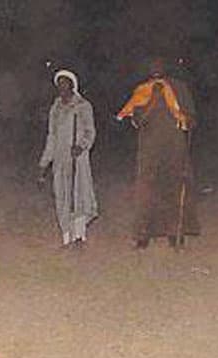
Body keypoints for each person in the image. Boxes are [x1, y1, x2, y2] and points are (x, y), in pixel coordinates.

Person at [117, 57, 198, 249]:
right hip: (150, 148)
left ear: (166, 68)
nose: (156, 69)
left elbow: (192, 118)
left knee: (173, 187)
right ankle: (143, 235)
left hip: (174, 147)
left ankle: (174, 233)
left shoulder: (179, 88)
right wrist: (153, 98)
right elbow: (137, 121)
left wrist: (185, 118)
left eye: (159, 66)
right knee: (146, 191)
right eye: (152, 66)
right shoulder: (142, 90)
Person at [37, 69, 97, 247]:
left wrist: (82, 145)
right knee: (62, 195)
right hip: (60, 158)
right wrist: (44, 163)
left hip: (77, 158)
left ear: (72, 85)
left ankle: (79, 236)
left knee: (78, 195)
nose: (62, 87)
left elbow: (90, 131)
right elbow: (52, 136)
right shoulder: (55, 109)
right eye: (59, 83)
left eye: (66, 83)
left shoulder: (83, 106)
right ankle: (66, 236)